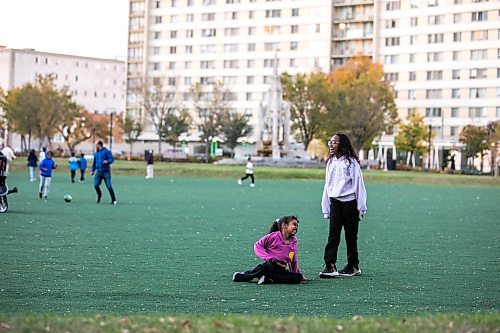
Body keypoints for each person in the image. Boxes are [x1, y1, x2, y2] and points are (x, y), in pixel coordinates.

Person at [319, 133, 367, 278]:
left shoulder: (351, 162)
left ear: (342, 144)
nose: (331, 145)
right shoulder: (331, 162)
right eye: (330, 142)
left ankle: (353, 266)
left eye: (334, 142)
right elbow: (328, 185)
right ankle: (330, 265)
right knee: (333, 235)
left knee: (350, 236)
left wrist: (361, 205)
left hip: (349, 204)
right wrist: (325, 207)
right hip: (335, 203)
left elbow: (359, 184)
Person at [232, 216, 308, 285]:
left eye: (297, 226)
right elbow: (257, 246)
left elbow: (293, 260)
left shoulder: (294, 241)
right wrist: (267, 257)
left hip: (281, 269)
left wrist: (296, 272)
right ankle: (241, 276)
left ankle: (268, 278)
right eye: (294, 224)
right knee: (265, 267)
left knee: (298, 277)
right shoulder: (273, 236)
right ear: (284, 225)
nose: (296, 227)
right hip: (270, 265)